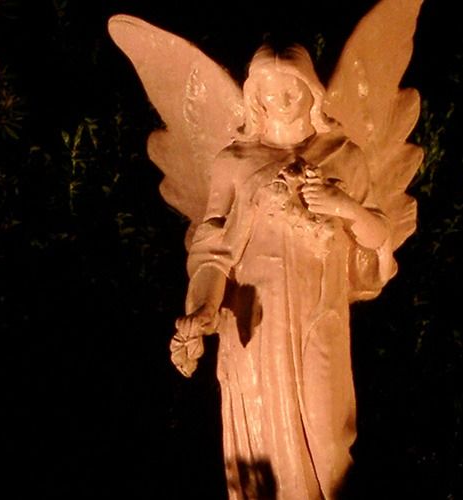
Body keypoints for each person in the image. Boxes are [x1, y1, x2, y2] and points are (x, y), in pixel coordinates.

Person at [174, 45, 397, 499]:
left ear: (309, 90)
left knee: (328, 437)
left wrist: (344, 206)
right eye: (268, 92)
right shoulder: (234, 162)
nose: (280, 101)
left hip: (320, 316)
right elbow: (213, 250)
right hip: (253, 322)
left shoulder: (342, 155)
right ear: (254, 97)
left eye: (289, 91)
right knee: (263, 438)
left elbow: (378, 238)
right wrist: (203, 309)